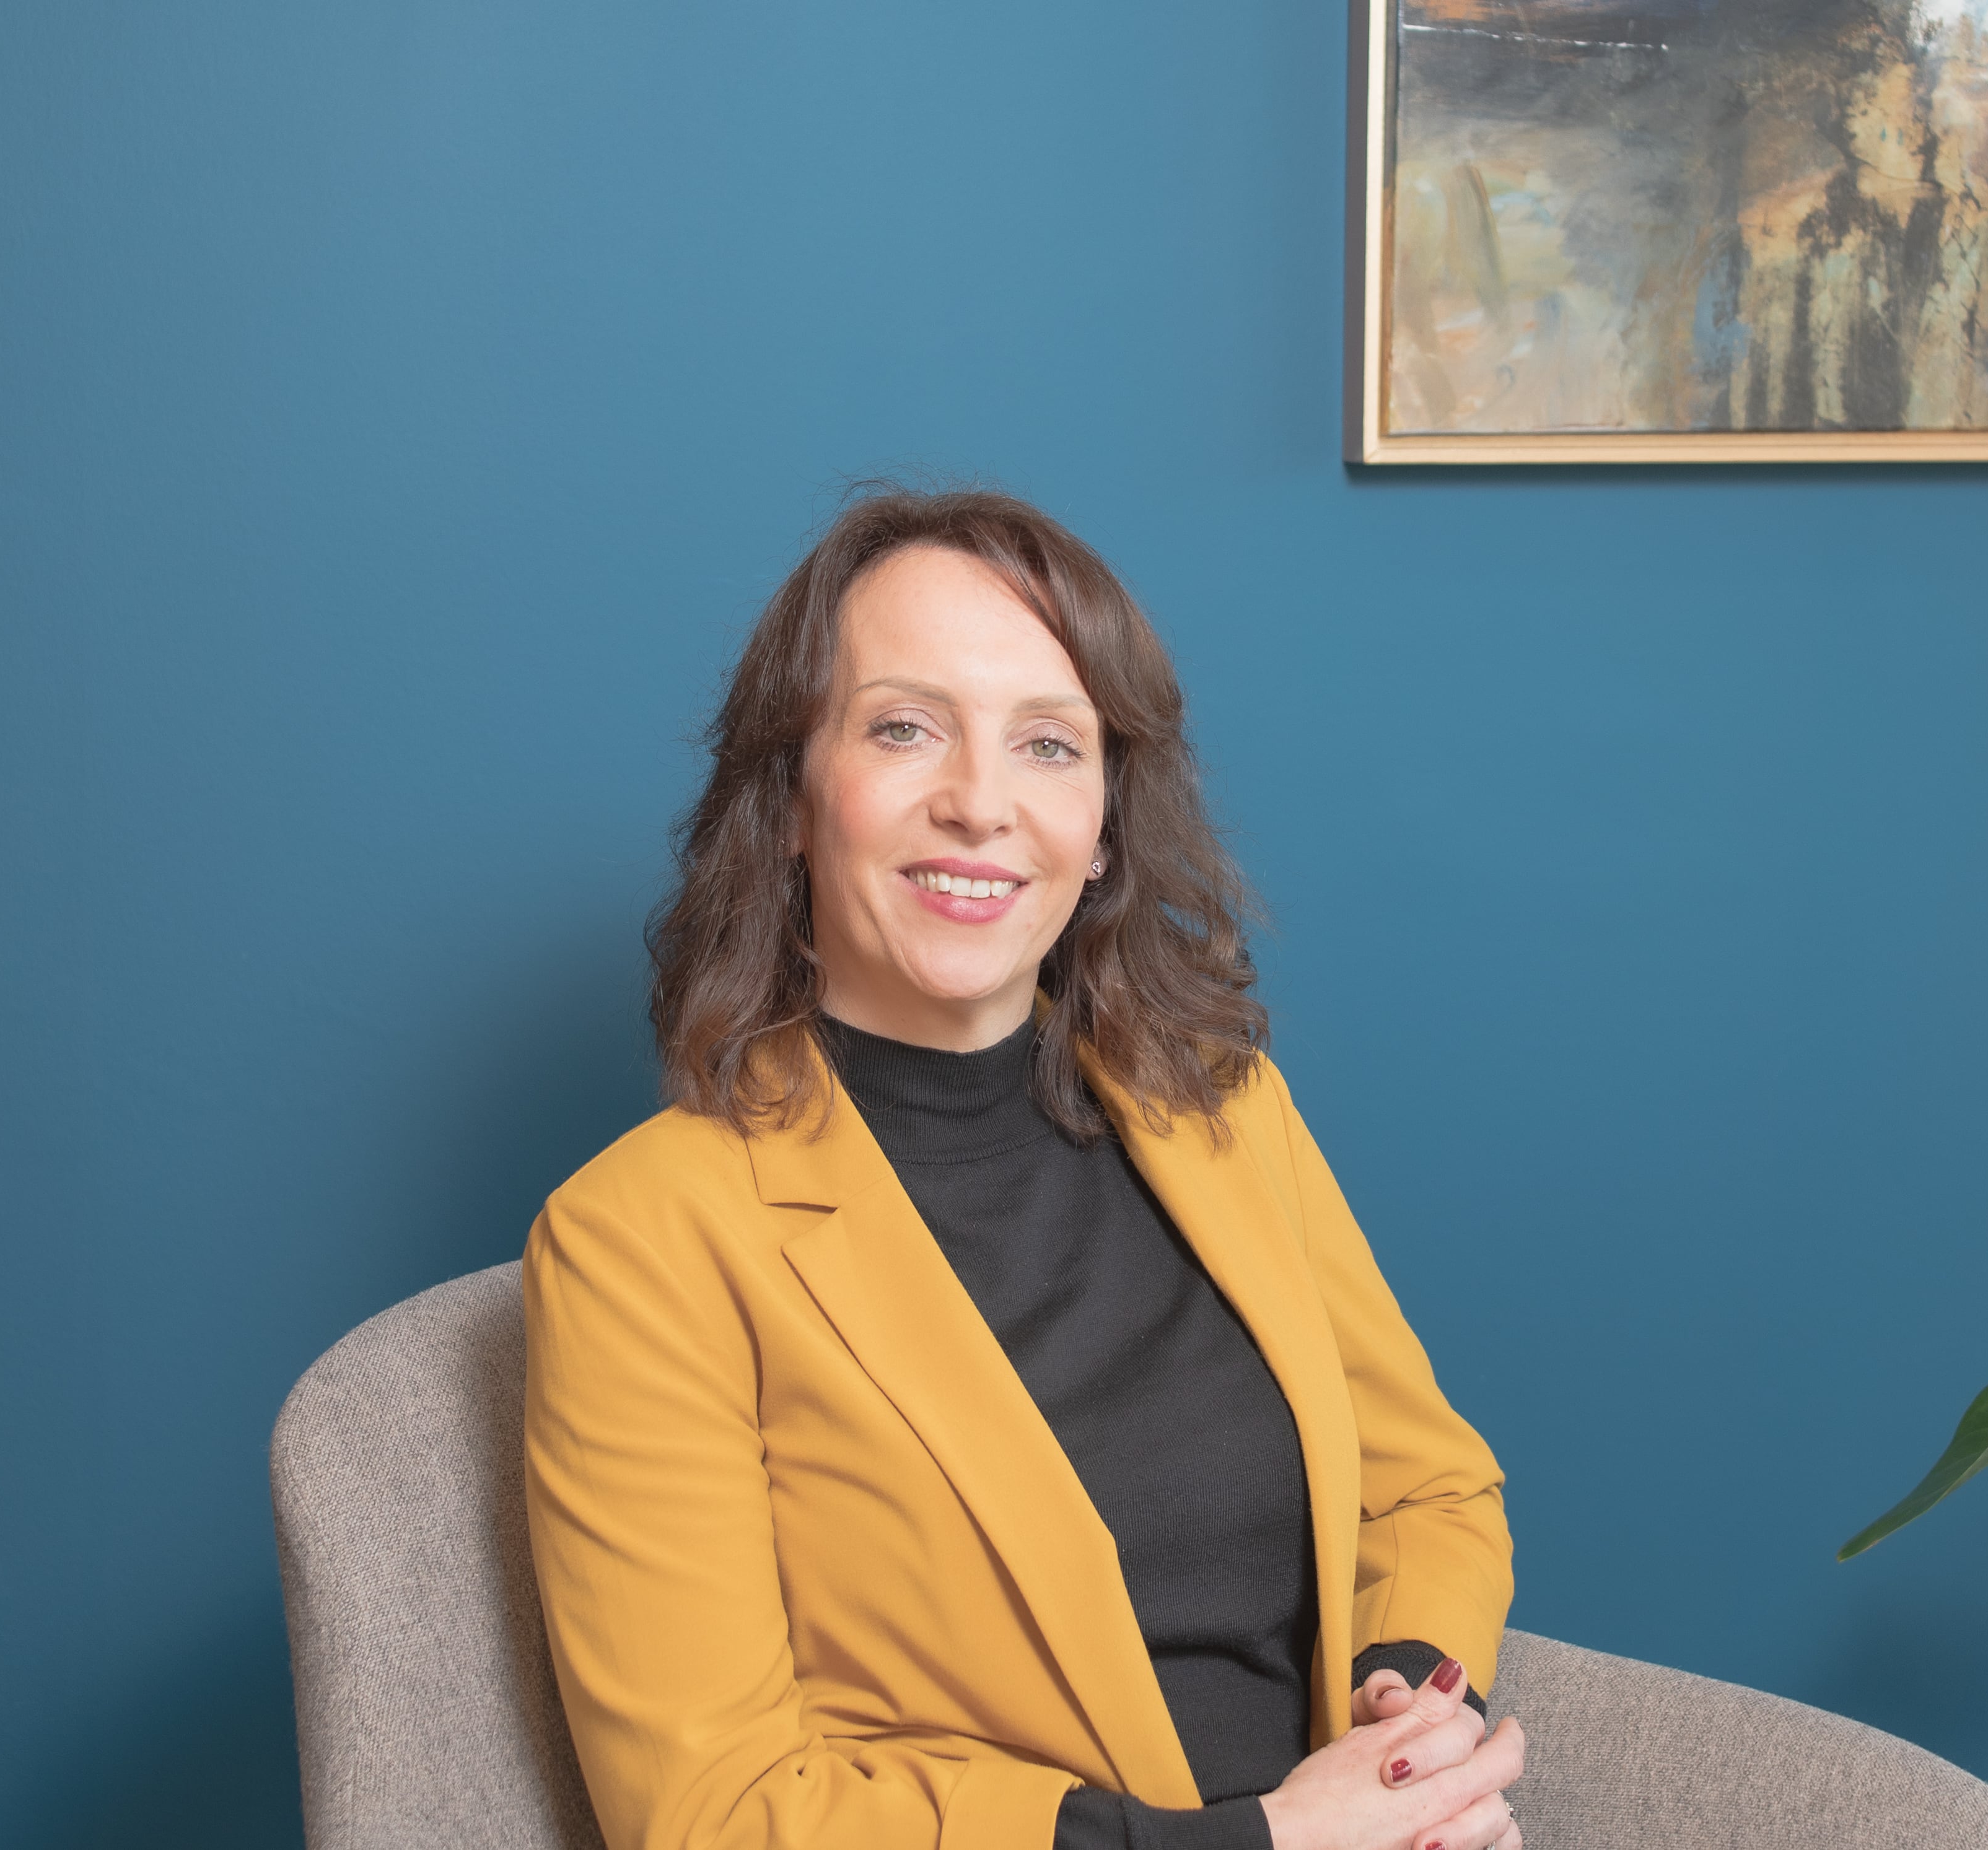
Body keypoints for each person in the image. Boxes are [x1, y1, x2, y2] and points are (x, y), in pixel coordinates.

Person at [522, 487, 1522, 1850]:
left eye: (1048, 745)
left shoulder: (1224, 1112)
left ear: (1101, 825)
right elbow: (718, 1810)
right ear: (795, 800)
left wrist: (1404, 1725)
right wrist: (1268, 1844)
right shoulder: (640, 1239)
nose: (979, 805)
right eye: (902, 727)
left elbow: (1425, 1487)